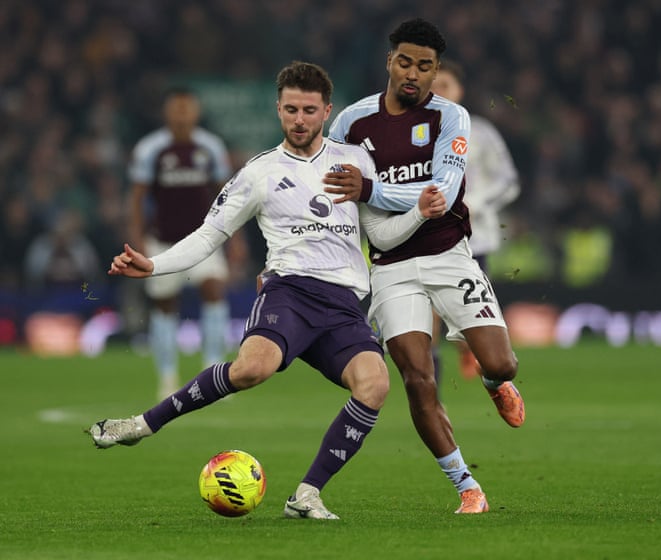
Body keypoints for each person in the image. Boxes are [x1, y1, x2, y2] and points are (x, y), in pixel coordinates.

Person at [87, 61, 447, 520]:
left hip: (344, 305)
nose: (300, 119)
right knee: (252, 369)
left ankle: (307, 495)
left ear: (327, 111)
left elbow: (381, 234)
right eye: (291, 109)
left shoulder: (355, 161)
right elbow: (210, 234)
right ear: (278, 109)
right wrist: (154, 265)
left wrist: (418, 213)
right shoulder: (259, 172)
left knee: (375, 384)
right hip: (289, 292)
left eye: (309, 110)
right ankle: (142, 424)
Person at [324, 18, 525, 514]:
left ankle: (494, 383)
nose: (413, 74)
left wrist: (371, 190)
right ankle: (467, 486)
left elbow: (444, 193)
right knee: (417, 378)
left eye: (425, 66)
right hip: (390, 268)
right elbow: (336, 195)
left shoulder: (451, 117)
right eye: (405, 62)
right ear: (389, 62)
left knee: (501, 362)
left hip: (448, 255)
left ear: (436, 72)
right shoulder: (350, 123)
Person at [128, 87, 233, 400]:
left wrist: (236, 237)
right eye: (177, 108)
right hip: (162, 241)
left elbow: (228, 194)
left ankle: (213, 372)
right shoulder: (150, 149)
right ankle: (167, 377)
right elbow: (137, 198)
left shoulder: (210, 147)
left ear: (196, 112)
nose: (182, 114)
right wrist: (137, 238)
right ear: (167, 112)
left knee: (214, 291)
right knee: (164, 305)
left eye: (187, 108)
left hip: (204, 240)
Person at [430, 59, 521, 381]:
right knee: (427, 322)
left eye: (445, 85)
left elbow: (508, 181)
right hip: (424, 238)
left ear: (460, 90)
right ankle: (430, 395)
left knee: (472, 324)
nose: (438, 92)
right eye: (432, 85)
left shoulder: (480, 132)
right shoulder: (411, 132)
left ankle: (478, 359)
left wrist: (474, 203)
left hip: (472, 240)